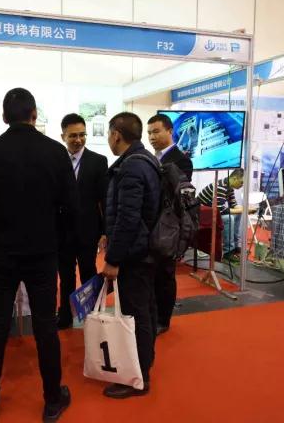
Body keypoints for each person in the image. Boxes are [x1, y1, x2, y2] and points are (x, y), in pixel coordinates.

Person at [0, 88, 76, 422]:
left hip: (0, 254)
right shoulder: (55, 152)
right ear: (34, 115)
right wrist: (56, 244)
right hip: (42, 254)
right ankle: (52, 399)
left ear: (4, 117)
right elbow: (70, 208)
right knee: (45, 326)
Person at [102, 112, 160, 399]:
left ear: (116, 134)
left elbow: (128, 218)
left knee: (135, 315)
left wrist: (113, 259)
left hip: (134, 253)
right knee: (145, 310)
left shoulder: (132, 166)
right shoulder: (146, 160)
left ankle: (138, 378)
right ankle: (144, 365)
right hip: (145, 249)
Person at [57, 113, 108, 330]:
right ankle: (65, 315)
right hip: (62, 231)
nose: (78, 140)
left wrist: (105, 231)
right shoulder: (56, 160)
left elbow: (104, 199)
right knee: (65, 275)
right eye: (73, 136)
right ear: (63, 136)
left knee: (88, 273)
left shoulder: (98, 161)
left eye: (82, 135)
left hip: (88, 230)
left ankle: (92, 315)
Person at [146, 114, 193, 335]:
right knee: (152, 273)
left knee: (165, 274)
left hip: (169, 225)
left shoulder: (181, 160)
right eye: (149, 133)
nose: (152, 137)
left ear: (170, 131)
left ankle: (163, 319)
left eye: (156, 131)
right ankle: (152, 313)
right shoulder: (150, 158)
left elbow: (179, 197)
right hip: (151, 224)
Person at [197, 169, 244, 261]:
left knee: (238, 214)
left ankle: (235, 246)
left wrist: (244, 209)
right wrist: (243, 209)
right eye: (241, 182)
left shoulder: (229, 187)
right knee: (229, 218)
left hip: (211, 212)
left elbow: (233, 204)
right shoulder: (220, 186)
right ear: (235, 178)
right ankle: (228, 251)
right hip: (201, 214)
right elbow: (221, 210)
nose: (242, 185)